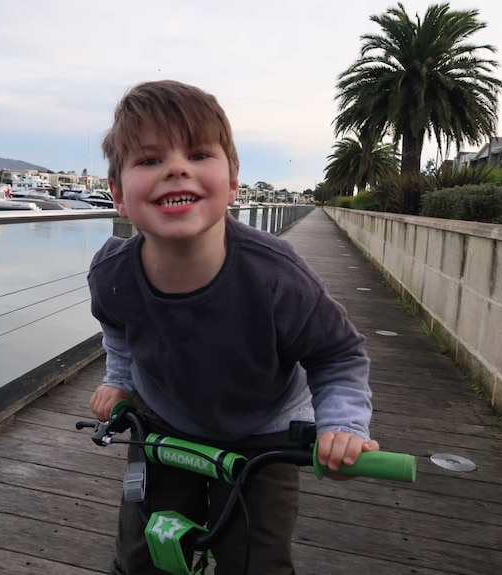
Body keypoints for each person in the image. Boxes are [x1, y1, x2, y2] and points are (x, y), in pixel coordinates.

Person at [88, 79, 378, 575]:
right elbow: (117, 327)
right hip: (164, 423)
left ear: (233, 182)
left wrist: (344, 427)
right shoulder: (112, 273)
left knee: (256, 559)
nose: (176, 168)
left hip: (264, 431)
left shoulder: (275, 274)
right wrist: (120, 380)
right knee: (143, 556)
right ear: (117, 193)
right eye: (149, 160)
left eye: (198, 153)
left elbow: (337, 355)